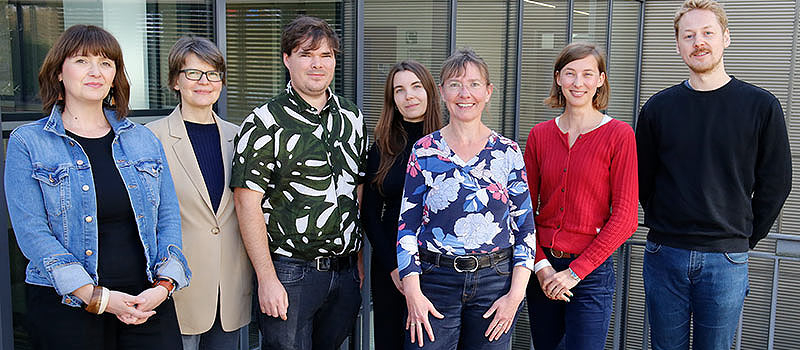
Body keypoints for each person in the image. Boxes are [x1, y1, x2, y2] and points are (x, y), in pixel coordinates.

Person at [4, 24, 190, 349]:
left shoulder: (142, 139)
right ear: (59, 72)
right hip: (67, 306)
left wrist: (163, 287)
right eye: (81, 61)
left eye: (106, 63)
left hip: (145, 301)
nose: (96, 71)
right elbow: (32, 232)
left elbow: (168, 220)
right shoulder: (29, 143)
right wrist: (96, 297)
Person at [636, 1, 792, 349]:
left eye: (707, 33)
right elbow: (642, 180)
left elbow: (777, 182)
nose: (698, 42)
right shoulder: (658, 108)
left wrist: (744, 238)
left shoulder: (761, 106)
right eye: (688, 35)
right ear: (678, 45)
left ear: (726, 38)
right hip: (665, 254)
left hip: (726, 258)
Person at [230, 16, 368, 350]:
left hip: (345, 272)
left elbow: (357, 190)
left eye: (326, 55)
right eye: (307, 54)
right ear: (287, 59)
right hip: (290, 275)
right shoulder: (264, 122)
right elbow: (246, 203)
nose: (317, 64)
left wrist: (359, 264)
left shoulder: (352, 117)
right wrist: (266, 278)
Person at [397, 48, 536, 350]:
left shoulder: (508, 153)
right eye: (455, 84)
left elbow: (525, 230)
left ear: (488, 92)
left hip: (494, 283)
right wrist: (413, 293)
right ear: (443, 91)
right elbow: (406, 228)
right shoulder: (424, 150)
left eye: (474, 84)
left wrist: (515, 297)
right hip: (434, 282)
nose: (465, 93)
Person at [523, 42, 638, 350]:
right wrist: (541, 266)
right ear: (558, 78)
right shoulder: (539, 135)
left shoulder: (619, 135)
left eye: (588, 74)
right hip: (543, 268)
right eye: (570, 73)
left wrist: (574, 273)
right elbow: (521, 211)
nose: (578, 83)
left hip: (591, 274)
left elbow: (626, 218)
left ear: (600, 79)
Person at [146, 36, 253, 350]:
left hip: (230, 289)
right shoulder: (151, 138)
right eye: (193, 73)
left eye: (212, 73)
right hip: (177, 288)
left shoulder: (240, 138)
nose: (204, 81)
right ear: (175, 81)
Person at [362, 60, 443, 350]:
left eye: (416, 87)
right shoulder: (383, 145)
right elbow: (369, 214)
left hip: (437, 267)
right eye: (400, 90)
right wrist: (394, 267)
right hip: (391, 265)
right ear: (392, 100)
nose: (409, 96)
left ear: (431, 92)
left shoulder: (449, 141)